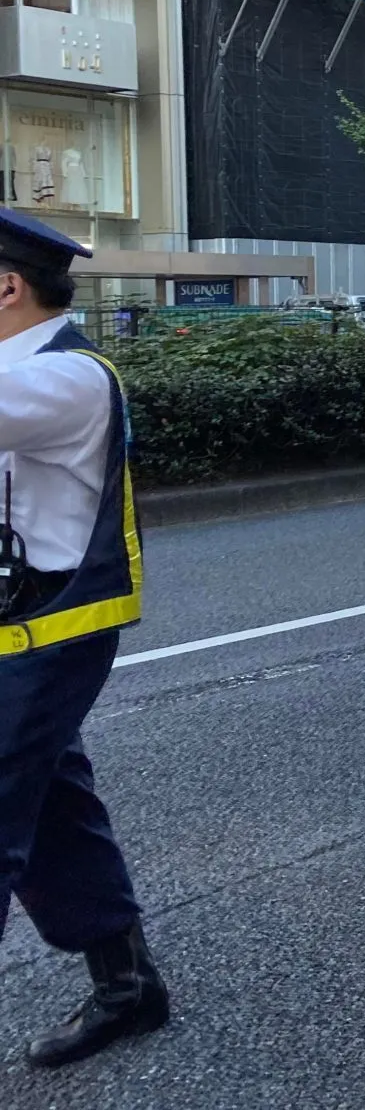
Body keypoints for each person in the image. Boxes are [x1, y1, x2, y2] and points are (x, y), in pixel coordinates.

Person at [0, 209, 166, 1069]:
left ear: (7, 285)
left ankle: (125, 984)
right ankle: (127, 985)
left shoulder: (68, 378)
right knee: (53, 805)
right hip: (14, 626)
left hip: (51, 629)